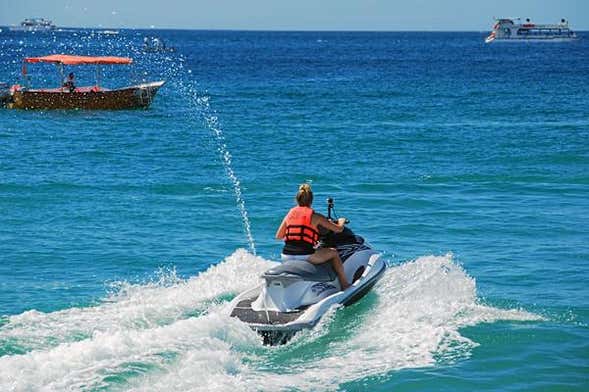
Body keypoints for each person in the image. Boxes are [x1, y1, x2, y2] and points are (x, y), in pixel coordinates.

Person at [275, 184, 351, 290]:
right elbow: (338, 229)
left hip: (286, 255)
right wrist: (341, 222)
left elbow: (279, 236)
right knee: (333, 252)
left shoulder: (290, 214)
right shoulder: (316, 216)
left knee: (316, 249)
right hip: (305, 256)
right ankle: (344, 284)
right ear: (311, 201)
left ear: (297, 200)